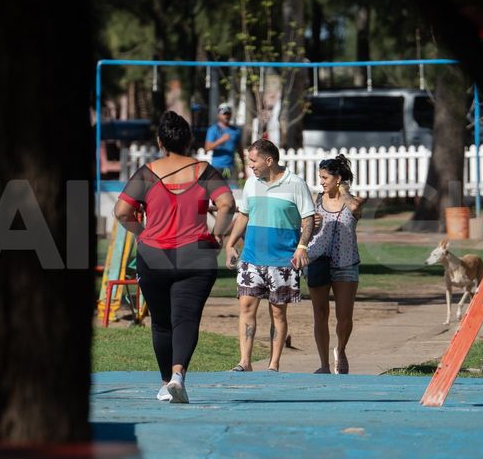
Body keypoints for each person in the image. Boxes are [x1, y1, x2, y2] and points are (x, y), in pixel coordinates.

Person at [114, 111, 236, 404]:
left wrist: (142, 233)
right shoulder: (204, 171)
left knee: (161, 322)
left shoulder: (146, 172)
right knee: (186, 318)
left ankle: (165, 382)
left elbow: (121, 211)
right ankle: (178, 375)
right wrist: (218, 236)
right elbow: (227, 204)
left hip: (153, 255)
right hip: (196, 255)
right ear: (189, 139)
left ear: (160, 140)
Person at [225, 139, 315, 372]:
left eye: (253, 161)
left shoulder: (295, 184)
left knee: (278, 311)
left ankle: (274, 364)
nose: (250, 166)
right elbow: (243, 215)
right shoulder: (251, 184)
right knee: (246, 307)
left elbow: (308, 220)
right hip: (252, 258)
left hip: (283, 261)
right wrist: (231, 242)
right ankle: (244, 361)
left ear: (269, 160)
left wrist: (301, 247)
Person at [305, 155, 365, 374]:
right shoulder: (314, 200)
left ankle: (340, 350)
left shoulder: (353, 201)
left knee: (344, 316)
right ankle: (324, 364)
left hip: (346, 263)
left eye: (325, 177)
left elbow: (355, 206)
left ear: (337, 178)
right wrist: (311, 223)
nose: (321, 181)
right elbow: (301, 227)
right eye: (320, 177)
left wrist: (344, 190)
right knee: (320, 313)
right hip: (317, 261)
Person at [203, 103, 243, 180]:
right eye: (224, 114)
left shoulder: (236, 131)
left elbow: (240, 149)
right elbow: (207, 148)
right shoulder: (213, 129)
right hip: (216, 167)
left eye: (228, 114)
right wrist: (221, 140)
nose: (226, 116)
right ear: (219, 115)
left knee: (233, 191)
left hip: (231, 167)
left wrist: (243, 167)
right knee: (216, 191)